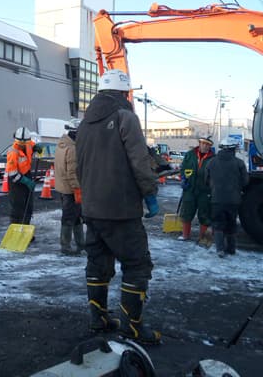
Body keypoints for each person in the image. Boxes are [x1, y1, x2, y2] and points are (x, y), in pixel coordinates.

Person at [76, 68, 161, 345]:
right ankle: (132, 328)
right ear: (125, 92)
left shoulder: (85, 123)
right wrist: (149, 193)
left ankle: (98, 319)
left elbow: (79, 167)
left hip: (92, 209)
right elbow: (139, 160)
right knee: (137, 265)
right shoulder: (125, 116)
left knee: (97, 264)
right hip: (121, 210)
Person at [205, 137, 249, 258]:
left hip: (216, 199)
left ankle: (220, 249)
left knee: (218, 224)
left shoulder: (211, 162)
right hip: (234, 200)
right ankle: (231, 249)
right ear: (233, 149)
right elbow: (245, 181)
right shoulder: (239, 163)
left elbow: (206, 180)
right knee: (231, 223)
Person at [53, 118, 85, 255]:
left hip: (63, 187)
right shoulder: (72, 149)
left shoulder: (62, 144)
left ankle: (81, 244)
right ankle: (65, 246)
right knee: (69, 218)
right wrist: (77, 189)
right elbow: (72, 172)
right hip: (71, 189)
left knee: (76, 216)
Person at [178, 136, 215, 246]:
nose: (205, 146)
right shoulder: (190, 155)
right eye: (203, 143)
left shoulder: (213, 158)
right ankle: (185, 235)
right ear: (199, 143)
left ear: (210, 146)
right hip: (189, 188)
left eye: (207, 144)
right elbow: (183, 168)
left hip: (205, 190)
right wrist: (183, 179)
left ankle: (203, 238)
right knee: (186, 211)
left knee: (204, 214)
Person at [5, 127, 40, 226]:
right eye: (20, 143)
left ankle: (25, 227)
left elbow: (31, 145)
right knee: (17, 208)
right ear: (16, 140)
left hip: (27, 174)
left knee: (28, 206)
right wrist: (26, 181)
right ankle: (15, 228)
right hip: (16, 182)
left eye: (24, 143)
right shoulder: (12, 152)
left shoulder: (28, 144)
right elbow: (12, 174)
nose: (22, 145)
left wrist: (36, 147)